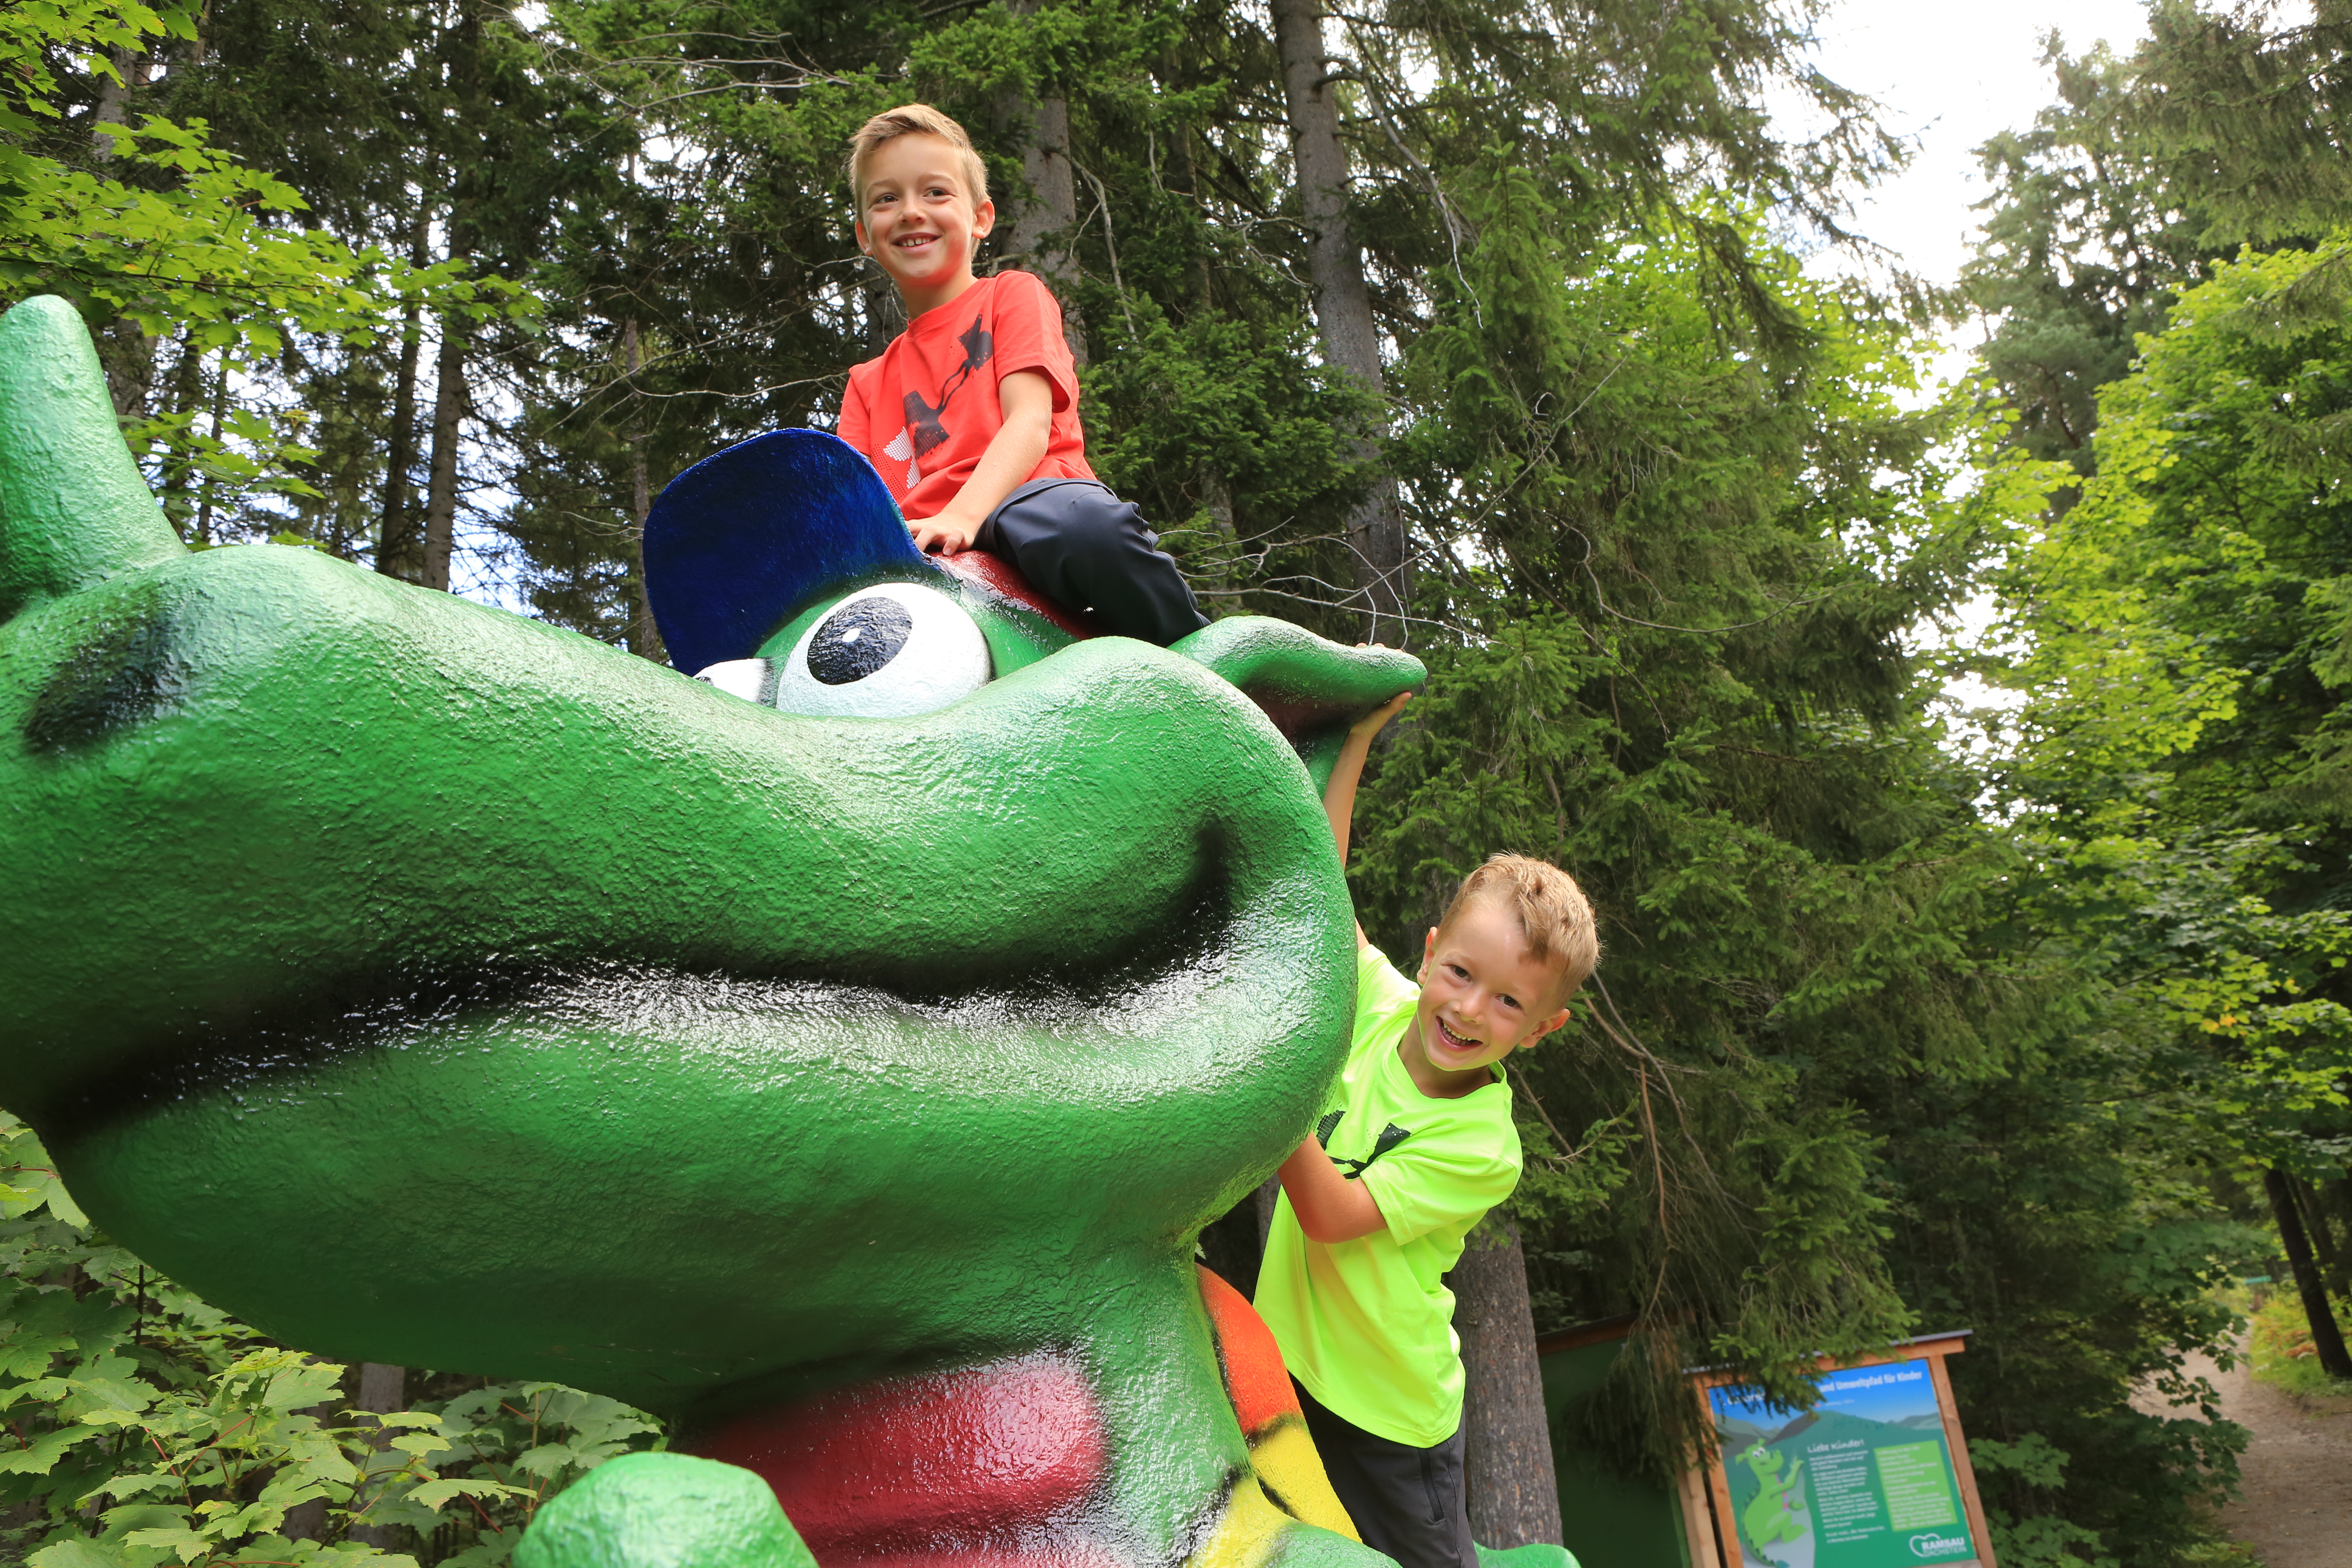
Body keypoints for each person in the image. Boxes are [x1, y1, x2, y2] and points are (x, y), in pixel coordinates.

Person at [1254, 691, 1600, 1568]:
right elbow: (1319, 896)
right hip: (1284, 1362)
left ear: (1542, 1029)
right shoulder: (1382, 1005)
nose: (1470, 1009)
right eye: (1461, 973)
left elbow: (1332, 1216)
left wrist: (1267, 1078)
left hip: (1388, 1412)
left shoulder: (1482, 1144)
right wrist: (1357, 740)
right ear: (1431, 949)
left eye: (1509, 1002)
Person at [836, 104, 1207, 646]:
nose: (912, 212)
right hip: (922, 551)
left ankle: (1200, 656)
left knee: (1085, 527)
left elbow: (1030, 424)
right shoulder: (868, 382)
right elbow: (858, 504)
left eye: (936, 192)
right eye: (886, 198)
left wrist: (963, 516)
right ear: (864, 235)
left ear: (981, 217)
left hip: (1024, 502)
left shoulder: (1011, 296)